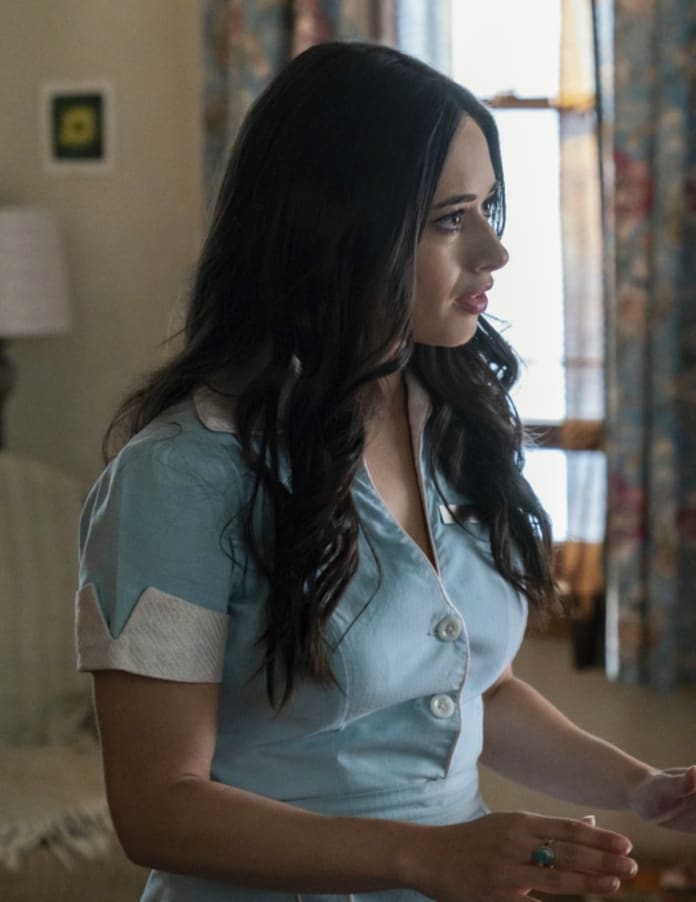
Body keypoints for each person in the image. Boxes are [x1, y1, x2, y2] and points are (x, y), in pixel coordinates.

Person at [75, 41, 696, 902]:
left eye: (489, 208)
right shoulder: (179, 479)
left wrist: (641, 788)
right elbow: (158, 809)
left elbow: (479, 690)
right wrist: (427, 856)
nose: (494, 251)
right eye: (449, 220)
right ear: (336, 233)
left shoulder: (454, 425)